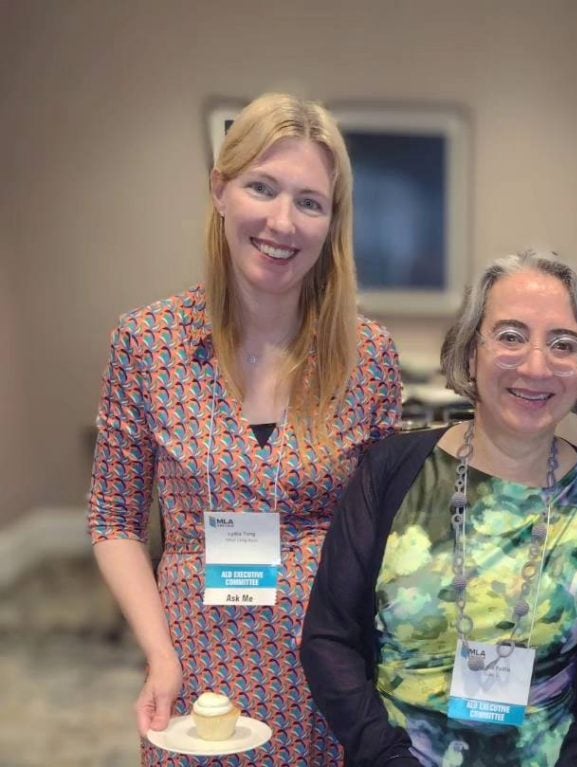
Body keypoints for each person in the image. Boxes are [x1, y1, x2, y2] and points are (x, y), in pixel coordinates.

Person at [88, 93, 402, 765]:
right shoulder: (147, 343)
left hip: (328, 675)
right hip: (196, 670)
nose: (283, 221)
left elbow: (386, 536)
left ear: (331, 222)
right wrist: (158, 652)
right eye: (263, 187)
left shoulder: (369, 356)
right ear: (220, 190)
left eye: (310, 202)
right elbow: (114, 518)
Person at [301, 249, 577, 766]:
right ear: (471, 352)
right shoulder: (392, 471)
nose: (536, 365)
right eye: (510, 336)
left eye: (564, 344)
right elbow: (328, 639)